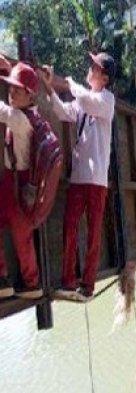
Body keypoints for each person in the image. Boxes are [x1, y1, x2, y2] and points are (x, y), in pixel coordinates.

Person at [41, 52, 116, 301]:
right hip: (78, 177)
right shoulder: (84, 101)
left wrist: (69, 82)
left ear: (104, 77)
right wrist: (50, 87)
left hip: (96, 180)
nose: (90, 68)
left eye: (95, 67)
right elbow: (64, 112)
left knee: (93, 233)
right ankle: (68, 281)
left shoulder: (106, 99)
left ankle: (88, 285)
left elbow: (85, 99)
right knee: (70, 227)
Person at [0, 58, 44, 299]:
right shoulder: (30, 113)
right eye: (10, 87)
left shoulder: (19, 118)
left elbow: (2, 111)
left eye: (16, 89)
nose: (10, 92)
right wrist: (8, 68)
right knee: (22, 235)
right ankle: (26, 282)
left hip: (17, 182)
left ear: (29, 95)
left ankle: (29, 282)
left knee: (21, 235)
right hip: (17, 180)